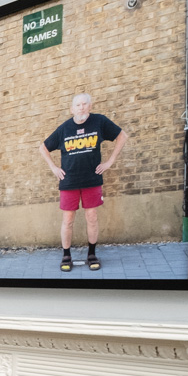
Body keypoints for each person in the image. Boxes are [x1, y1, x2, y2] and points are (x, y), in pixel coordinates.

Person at [37, 92, 129, 271]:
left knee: (92, 217)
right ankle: (66, 255)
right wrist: (54, 168)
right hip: (69, 180)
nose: (81, 107)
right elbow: (43, 148)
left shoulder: (99, 122)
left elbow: (122, 136)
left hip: (92, 179)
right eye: (78, 105)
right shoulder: (64, 128)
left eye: (84, 104)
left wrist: (109, 162)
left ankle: (92, 254)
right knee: (68, 219)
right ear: (72, 109)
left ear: (90, 106)